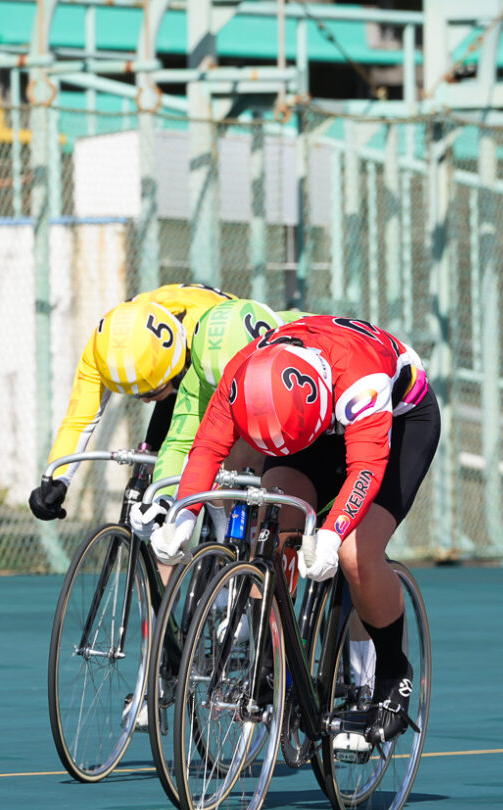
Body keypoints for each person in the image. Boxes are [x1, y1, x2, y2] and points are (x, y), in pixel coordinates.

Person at [152, 315, 438, 751]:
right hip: (306, 428)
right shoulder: (244, 373)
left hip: (398, 423)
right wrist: (184, 517)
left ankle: (393, 676)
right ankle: (276, 660)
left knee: (355, 554)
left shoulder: (363, 380)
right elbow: (207, 448)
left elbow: (365, 470)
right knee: (274, 519)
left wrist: (331, 534)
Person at [27, 283, 256, 534]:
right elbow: (78, 420)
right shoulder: (104, 346)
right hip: (170, 351)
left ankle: (230, 545)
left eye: (149, 393)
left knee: (216, 458)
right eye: (135, 397)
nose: (145, 402)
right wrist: (58, 479)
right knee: (158, 477)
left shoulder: (204, 342)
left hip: (217, 345)